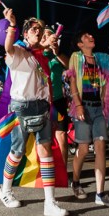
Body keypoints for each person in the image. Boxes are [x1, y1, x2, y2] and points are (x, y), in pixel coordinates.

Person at [0, 9, 67, 216]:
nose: (39, 32)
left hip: (42, 108)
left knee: (45, 152)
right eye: (34, 29)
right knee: (17, 152)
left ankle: (50, 203)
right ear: (25, 34)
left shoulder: (41, 57)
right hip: (21, 109)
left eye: (41, 29)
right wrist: (11, 26)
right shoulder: (18, 52)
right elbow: (8, 46)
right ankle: (5, 191)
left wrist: (49, 48)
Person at [66, 31, 109, 207]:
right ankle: (75, 181)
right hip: (83, 107)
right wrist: (78, 105)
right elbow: (73, 81)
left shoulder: (100, 59)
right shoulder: (76, 57)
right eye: (86, 36)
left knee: (101, 147)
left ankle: (100, 193)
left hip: (98, 109)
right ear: (80, 44)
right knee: (83, 149)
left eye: (91, 35)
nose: (91, 37)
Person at [41, 26, 70, 165]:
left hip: (58, 101)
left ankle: (63, 171)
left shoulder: (57, 55)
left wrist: (57, 52)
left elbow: (70, 65)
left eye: (50, 35)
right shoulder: (36, 54)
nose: (47, 37)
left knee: (62, 136)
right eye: (44, 35)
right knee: (43, 139)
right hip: (41, 103)